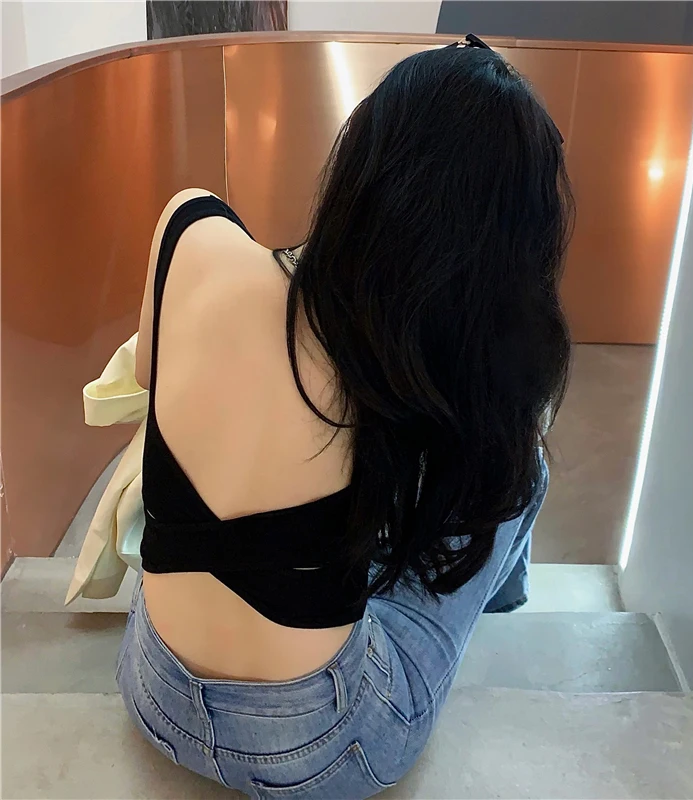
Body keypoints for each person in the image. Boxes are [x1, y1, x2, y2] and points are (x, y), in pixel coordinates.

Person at [116, 34, 573, 799]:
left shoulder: (189, 226)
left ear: (362, 155)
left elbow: (147, 373)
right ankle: (497, 599)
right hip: (318, 750)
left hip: (154, 687)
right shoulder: (411, 364)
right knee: (517, 461)